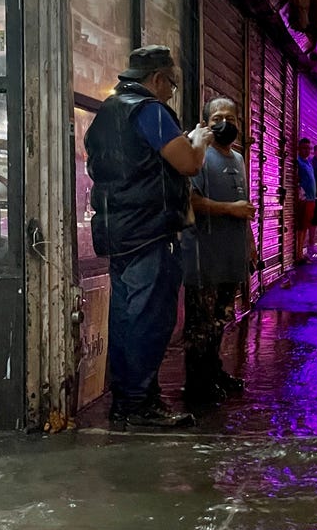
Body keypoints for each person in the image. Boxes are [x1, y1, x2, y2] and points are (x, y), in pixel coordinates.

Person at [86, 45, 212, 429]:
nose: (171, 92)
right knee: (150, 321)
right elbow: (188, 163)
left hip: (119, 232)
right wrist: (200, 139)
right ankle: (139, 404)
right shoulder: (149, 111)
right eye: (171, 84)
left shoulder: (108, 111)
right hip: (149, 232)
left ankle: (129, 400)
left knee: (127, 317)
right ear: (157, 79)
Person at [181, 96, 257, 405]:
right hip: (204, 258)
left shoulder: (237, 159)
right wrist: (230, 210)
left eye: (231, 118)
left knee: (220, 321)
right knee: (200, 326)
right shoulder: (197, 156)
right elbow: (191, 201)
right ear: (205, 123)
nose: (224, 123)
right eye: (217, 118)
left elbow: (245, 209)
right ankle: (197, 385)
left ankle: (213, 373)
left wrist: (250, 247)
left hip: (230, 258)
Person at [294, 138, 317, 263]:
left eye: (308, 148)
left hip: (310, 199)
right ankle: (298, 254)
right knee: (301, 227)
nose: (306, 150)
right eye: (304, 148)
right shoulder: (297, 162)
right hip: (303, 199)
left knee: (305, 226)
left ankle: (301, 253)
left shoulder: (308, 163)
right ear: (298, 148)